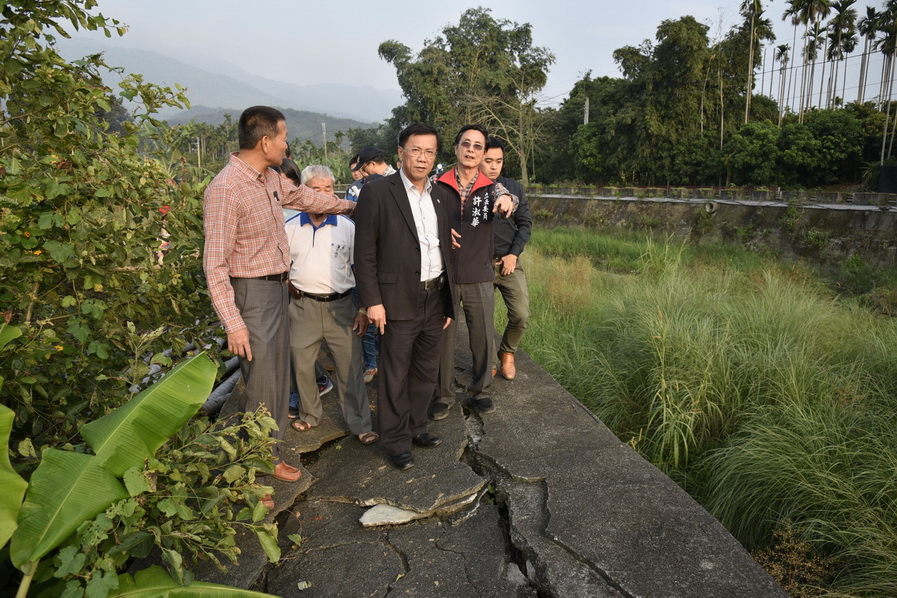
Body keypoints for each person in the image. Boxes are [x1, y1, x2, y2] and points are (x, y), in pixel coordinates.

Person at [203, 106, 355, 498]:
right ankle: (252, 473)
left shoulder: (269, 178)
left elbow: (308, 198)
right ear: (266, 141)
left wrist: (355, 206)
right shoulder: (226, 189)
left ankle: (265, 457)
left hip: (276, 288)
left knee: (275, 380)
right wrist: (233, 323)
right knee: (259, 385)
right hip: (250, 292)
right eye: (284, 137)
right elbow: (214, 263)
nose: (288, 145)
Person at [354, 124, 456, 470]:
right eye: (416, 150)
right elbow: (364, 252)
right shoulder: (378, 192)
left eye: (429, 152)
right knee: (395, 373)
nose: (422, 158)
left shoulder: (440, 195)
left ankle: (416, 428)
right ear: (400, 152)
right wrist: (372, 302)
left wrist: (447, 300)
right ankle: (395, 440)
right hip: (395, 298)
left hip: (434, 294)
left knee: (426, 370)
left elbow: (442, 245)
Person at [285, 165, 378, 445]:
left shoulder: (347, 227)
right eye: (316, 190)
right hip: (303, 307)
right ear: (303, 193)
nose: (324, 195)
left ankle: (360, 424)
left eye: (328, 189)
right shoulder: (289, 227)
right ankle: (310, 414)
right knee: (300, 363)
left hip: (342, 306)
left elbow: (362, 268)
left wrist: (363, 308)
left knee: (349, 365)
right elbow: (281, 266)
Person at [430, 125, 517, 421]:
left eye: (477, 146)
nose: (470, 150)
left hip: (479, 273)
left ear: (482, 154)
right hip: (444, 275)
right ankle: (443, 394)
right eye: (465, 144)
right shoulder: (436, 184)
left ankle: (480, 391)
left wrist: (507, 202)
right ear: (455, 148)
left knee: (482, 337)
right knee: (444, 338)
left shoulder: (491, 187)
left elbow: (507, 199)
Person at [480, 137, 531, 380]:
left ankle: (507, 353)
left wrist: (513, 254)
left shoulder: (514, 189)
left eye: (498, 161)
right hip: (479, 264)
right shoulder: (472, 191)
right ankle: (488, 360)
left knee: (521, 313)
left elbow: (525, 224)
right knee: (483, 316)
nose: (493, 166)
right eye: (488, 161)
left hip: (508, 262)